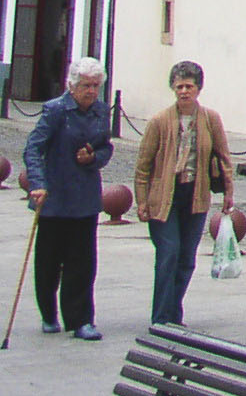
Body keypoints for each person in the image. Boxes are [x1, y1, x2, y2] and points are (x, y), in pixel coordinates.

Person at [132, 60, 234, 328]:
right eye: (179, 86)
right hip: (164, 196)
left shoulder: (210, 119)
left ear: (198, 89)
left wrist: (228, 194)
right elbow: (143, 165)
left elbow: (223, 158)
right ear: (172, 88)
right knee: (169, 253)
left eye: (189, 86)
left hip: (195, 194)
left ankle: (173, 313)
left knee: (187, 257)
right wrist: (141, 201)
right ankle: (162, 318)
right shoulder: (159, 121)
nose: (184, 92)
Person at [22, 56, 113, 340]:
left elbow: (106, 148)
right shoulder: (55, 110)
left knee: (83, 263)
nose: (90, 91)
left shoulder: (100, 111)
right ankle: (49, 314)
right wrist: (37, 184)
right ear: (72, 86)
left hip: (85, 198)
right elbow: (33, 149)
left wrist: (93, 158)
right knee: (49, 262)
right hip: (53, 197)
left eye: (95, 86)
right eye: (85, 85)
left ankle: (81, 320)